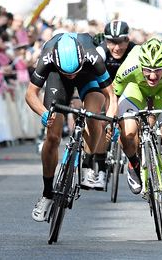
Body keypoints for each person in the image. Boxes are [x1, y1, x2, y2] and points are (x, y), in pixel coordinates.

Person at [25, 32, 117, 222]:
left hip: (88, 76)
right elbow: (30, 94)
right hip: (56, 79)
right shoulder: (48, 56)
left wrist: (109, 120)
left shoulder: (92, 56)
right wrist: (43, 113)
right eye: (68, 72)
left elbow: (111, 96)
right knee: (52, 136)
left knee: (93, 116)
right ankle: (47, 193)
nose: (72, 76)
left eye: (74, 71)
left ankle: (86, 163)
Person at [114, 38, 162, 218]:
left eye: (158, 71)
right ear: (141, 66)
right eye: (148, 71)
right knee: (129, 132)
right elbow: (113, 94)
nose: (153, 76)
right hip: (135, 92)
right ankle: (134, 164)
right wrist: (112, 120)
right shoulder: (130, 65)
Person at [79, 20, 136, 189]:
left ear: (128, 40)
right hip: (105, 87)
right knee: (102, 121)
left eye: (121, 42)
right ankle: (101, 168)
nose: (117, 48)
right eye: (112, 42)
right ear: (105, 41)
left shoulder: (134, 51)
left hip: (127, 88)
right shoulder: (101, 51)